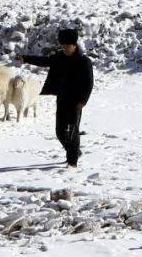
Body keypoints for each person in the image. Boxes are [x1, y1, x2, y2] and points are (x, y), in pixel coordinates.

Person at [23, 26, 94, 167]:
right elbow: (44, 61)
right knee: (60, 132)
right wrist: (25, 58)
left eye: (66, 45)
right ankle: (75, 151)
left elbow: (89, 83)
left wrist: (83, 101)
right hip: (62, 99)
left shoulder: (84, 61)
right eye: (62, 45)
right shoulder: (59, 58)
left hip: (76, 102)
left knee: (73, 131)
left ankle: (72, 162)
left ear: (73, 45)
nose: (64, 48)